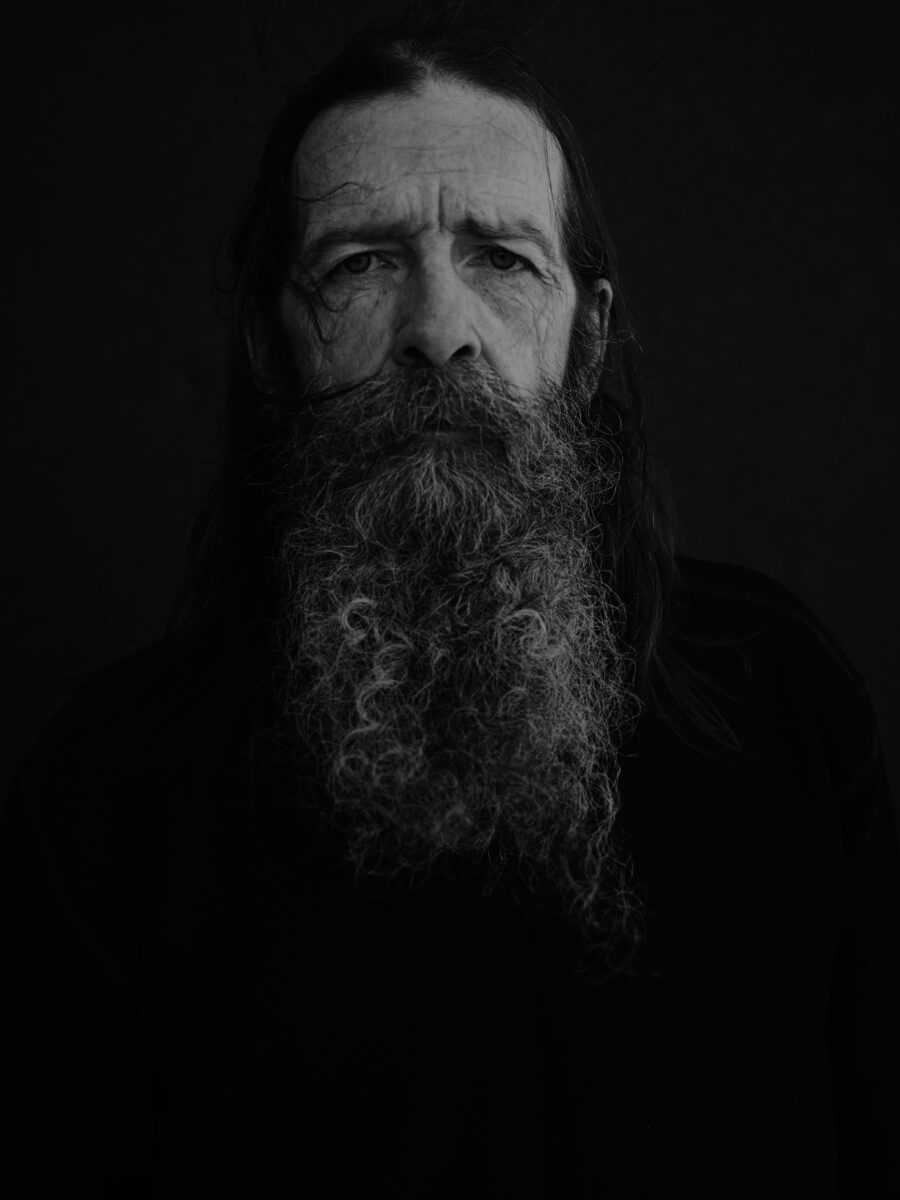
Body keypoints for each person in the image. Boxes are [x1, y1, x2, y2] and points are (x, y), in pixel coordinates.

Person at [2, 9, 898, 1197]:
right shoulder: (106, 791)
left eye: (503, 260)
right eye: (361, 264)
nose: (437, 331)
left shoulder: (781, 697)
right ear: (275, 347)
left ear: (587, 344)